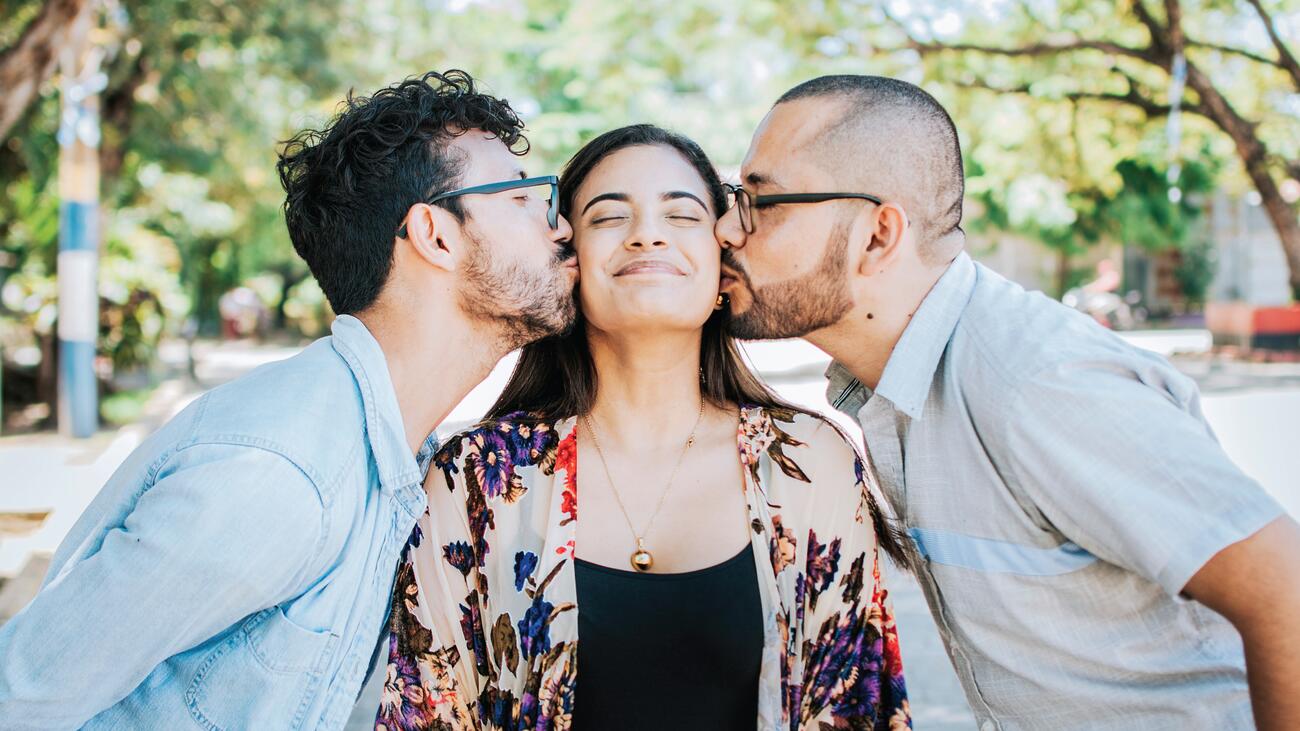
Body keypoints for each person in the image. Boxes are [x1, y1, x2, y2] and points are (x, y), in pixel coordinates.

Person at [715, 74, 1300, 730]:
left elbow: (1284, 587)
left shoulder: (1037, 384)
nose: (726, 228)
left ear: (878, 235)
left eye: (759, 201)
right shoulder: (891, 378)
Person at [0, 70, 578, 729]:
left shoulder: (387, 451)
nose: (557, 226)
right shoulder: (285, 475)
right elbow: (18, 699)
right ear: (435, 234)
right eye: (525, 198)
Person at [376, 124, 910, 731]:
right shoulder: (480, 476)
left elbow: (857, 707)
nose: (647, 234)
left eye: (682, 216)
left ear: (721, 264)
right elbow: (428, 710)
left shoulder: (811, 461)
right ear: (570, 262)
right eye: (607, 218)